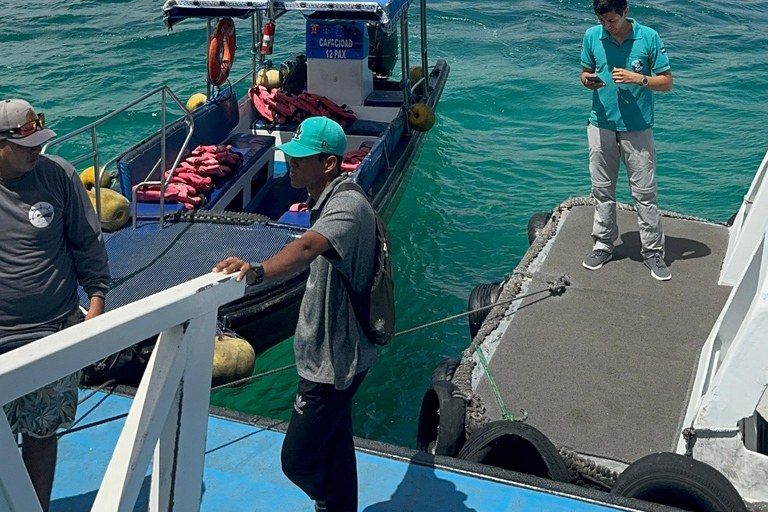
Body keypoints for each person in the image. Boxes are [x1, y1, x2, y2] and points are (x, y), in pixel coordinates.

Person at [214, 116, 378, 512]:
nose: (292, 162)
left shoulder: (347, 206)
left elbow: (305, 249)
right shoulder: (324, 200)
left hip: (334, 362)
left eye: (302, 158)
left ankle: (331, 501)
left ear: (329, 164)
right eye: (291, 154)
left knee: (298, 460)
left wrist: (255, 272)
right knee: (337, 448)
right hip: (331, 355)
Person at [0, 99, 110, 511]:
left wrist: (95, 311)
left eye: (40, 142)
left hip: (53, 333)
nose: (37, 151)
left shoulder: (58, 176)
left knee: (42, 434)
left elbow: (89, 247)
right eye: (26, 145)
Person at [580, 0, 674, 281]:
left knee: (645, 193)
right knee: (601, 189)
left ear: (626, 13)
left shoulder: (649, 37)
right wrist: (588, 81)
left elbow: (667, 82)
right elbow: (584, 73)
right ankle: (603, 244)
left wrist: (638, 78)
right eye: (603, 21)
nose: (607, 27)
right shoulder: (591, 35)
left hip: (637, 126)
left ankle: (653, 251)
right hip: (600, 124)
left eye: (613, 21)